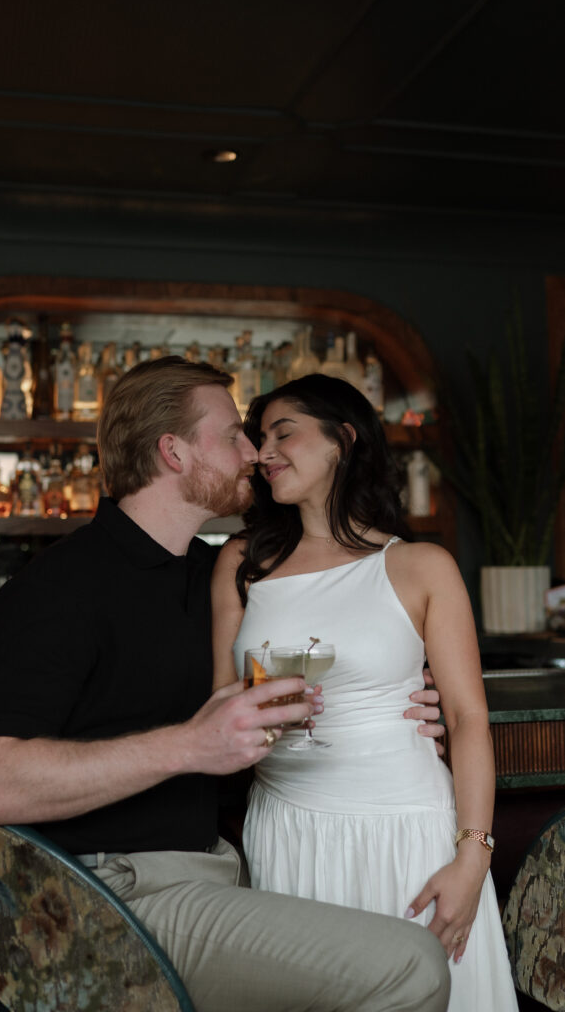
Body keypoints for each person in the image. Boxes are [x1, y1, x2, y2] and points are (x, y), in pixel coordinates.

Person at [0, 356, 451, 1012]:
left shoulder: (222, 574)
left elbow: (310, 663)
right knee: (411, 965)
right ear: (174, 452)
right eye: (233, 436)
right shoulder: (58, 587)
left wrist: (399, 699)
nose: (254, 453)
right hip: (111, 894)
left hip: (216, 869)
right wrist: (191, 745)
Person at [211, 373, 518, 1012]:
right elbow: (220, 707)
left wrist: (472, 859)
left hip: (406, 830)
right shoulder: (241, 563)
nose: (263, 452)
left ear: (343, 441)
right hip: (285, 829)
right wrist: (255, 722)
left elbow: (467, 717)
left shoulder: (421, 566)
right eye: (259, 438)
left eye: (283, 434)